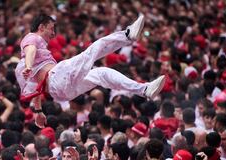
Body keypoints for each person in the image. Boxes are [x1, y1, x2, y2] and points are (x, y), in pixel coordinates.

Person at [15, 14, 166, 128]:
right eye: (51, 29)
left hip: (62, 92)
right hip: (56, 79)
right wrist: (28, 66)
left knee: (102, 74)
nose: (53, 34)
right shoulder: (31, 38)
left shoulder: (37, 54)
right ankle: (127, 35)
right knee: (94, 49)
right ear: (41, 27)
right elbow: (31, 51)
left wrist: (38, 111)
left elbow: (35, 86)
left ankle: (144, 90)